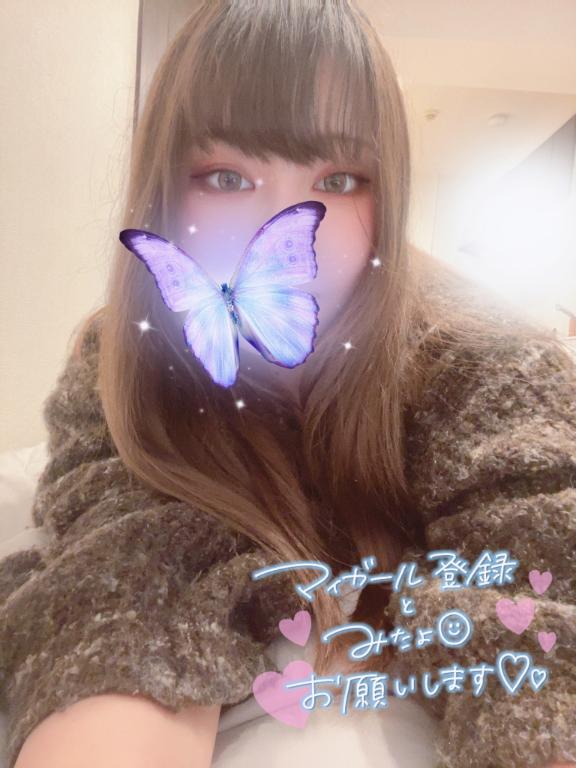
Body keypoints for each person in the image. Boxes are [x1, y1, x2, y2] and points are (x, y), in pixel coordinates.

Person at [0, 1, 574, 767]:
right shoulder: (128, 357)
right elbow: (121, 605)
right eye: (227, 176)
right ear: (164, 193)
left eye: (339, 178)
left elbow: (539, 607)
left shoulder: (487, 360)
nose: (288, 216)